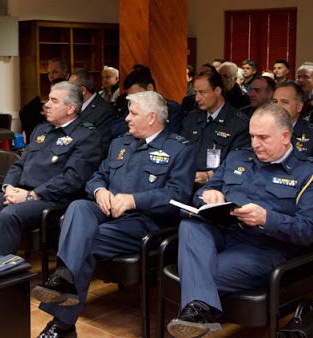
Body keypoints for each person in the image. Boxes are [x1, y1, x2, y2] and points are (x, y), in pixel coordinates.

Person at [33, 91, 196, 338]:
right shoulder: (120, 143)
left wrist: (133, 201)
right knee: (77, 207)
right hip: (107, 212)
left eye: (133, 113)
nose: (127, 118)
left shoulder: (179, 149)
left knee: (80, 239)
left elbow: (178, 197)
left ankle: (62, 320)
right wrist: (99, 191)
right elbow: (98, 176)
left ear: (152, 118)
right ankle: (63, 287)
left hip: (144, 223)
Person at [166, 104, 313, 337]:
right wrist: (208, 195)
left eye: (263, 137)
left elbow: (309, 231)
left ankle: (197, 313)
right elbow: (206, 190)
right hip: (223, 233)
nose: (255, 143)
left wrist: (267, 219)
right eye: (252, 136)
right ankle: (201, 313)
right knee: (190, 225)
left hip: (265, 248)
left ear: (285, 137)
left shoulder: (310, 173)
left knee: (195, 270)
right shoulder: (237, 157)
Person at [0, 82, 102, 255]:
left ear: (70, 108)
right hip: (20, 193)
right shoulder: (42, 130)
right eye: (48, 100)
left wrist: (32, 196)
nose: (46, 105)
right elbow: (19, 164)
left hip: (52, 201)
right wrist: (9, 187)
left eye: (53, 101)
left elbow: (72, 179)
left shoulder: (87, 136)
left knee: (9, 214)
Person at [181, 70, 250, 187]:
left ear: (217, 91)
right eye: (196, 92)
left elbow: (239, 164)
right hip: (187, 185)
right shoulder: (190, 119)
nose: (197, 98)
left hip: (219, 186)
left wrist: (210, 175)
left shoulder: (239, 124)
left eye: (202, 92)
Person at [272, 82, 313, 169]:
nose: (277, 106)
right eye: (275, 101)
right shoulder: (262, 131)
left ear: (299, 107)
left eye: (284, 102)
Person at [111, 67, 183, 137]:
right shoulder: (133, 107)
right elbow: (115, 129)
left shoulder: (172, 109)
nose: (133, 100)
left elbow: (173, 136)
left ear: (150, 88)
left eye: (136, 95)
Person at [69, 69, 116, 158]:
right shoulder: (73, 106)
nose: (67, 93)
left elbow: (102, 147)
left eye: (70, 90)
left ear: (82, 90)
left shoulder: (104, 111)